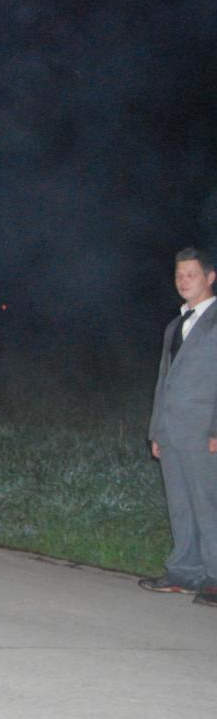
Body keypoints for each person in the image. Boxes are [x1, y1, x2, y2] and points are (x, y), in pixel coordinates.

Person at [143, 247, 217, 607]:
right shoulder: (175, 325)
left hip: (205, 431)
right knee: (181, 505)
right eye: (178, 275)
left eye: (191, 274)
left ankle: (215, 578)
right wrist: (156, 430)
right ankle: (185, 573)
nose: (183, 281)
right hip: (172, 431)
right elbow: (164, 380)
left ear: (210, 277)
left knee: (209, 504)